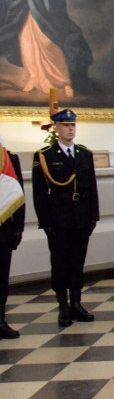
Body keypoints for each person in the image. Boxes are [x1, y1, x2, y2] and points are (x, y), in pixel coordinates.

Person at [32, 109, 99, 327]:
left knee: (77, 262)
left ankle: (77, 304)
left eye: (73, 125)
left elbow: (92, 188)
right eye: (65, 125)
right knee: (60, 262)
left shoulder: (84, 153)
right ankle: (62, 305)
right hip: (58, 218)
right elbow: (40, 193)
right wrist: (45, 222)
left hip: (81, 217)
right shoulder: (45, 156)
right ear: (56, 128)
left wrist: (93, 217)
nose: (70, 129)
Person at [0, 141, 24, 339]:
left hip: (3, 230)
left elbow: (19, 195)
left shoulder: (9, 158)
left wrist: (18, 228)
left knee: (1, 279)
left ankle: (0, 320)